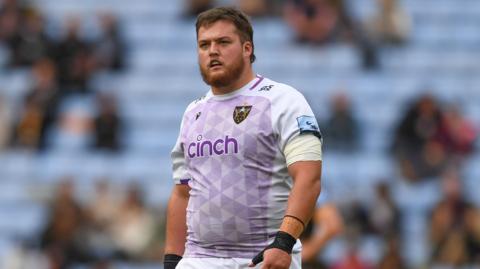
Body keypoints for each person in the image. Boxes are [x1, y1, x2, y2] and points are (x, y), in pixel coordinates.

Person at [164, 7, 323, 269]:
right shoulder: (193, 112)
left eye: (223, 42)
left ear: (247, 48)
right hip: (199, 259)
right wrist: (171, 261)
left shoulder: (283, 100)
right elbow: (182, 193)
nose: (212, 51)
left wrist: (283, 243)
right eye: (204, 45)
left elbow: (309, 176)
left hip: (264, 257)